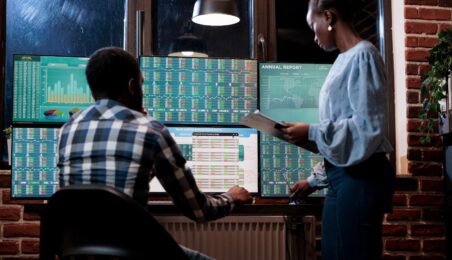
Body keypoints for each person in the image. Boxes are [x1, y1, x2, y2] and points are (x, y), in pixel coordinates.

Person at [57, 47, 253, 260]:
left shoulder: (68, 128)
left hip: (77, 253)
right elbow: (198, 210)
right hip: (133, 253)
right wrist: (231, 197)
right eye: (140, 84)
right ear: (132, 86)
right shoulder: (151, 130)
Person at [282, 0, 396, 259]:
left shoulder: (364, 55)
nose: (314, 36)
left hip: (362, 177)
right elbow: (346, 138)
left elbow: (367, 129)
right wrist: (313, 181)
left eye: (314, 26)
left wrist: (310, 131)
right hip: (341, 177)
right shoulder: (343, 60)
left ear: (329, 17)